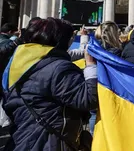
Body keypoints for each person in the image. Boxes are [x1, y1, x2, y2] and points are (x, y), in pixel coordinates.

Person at [2, 17, 98, 151]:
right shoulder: (58, 68)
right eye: (70, 38)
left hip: (22, 137)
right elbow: (88, 99)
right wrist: (91, 66)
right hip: (49, 141)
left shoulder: (18, 62)